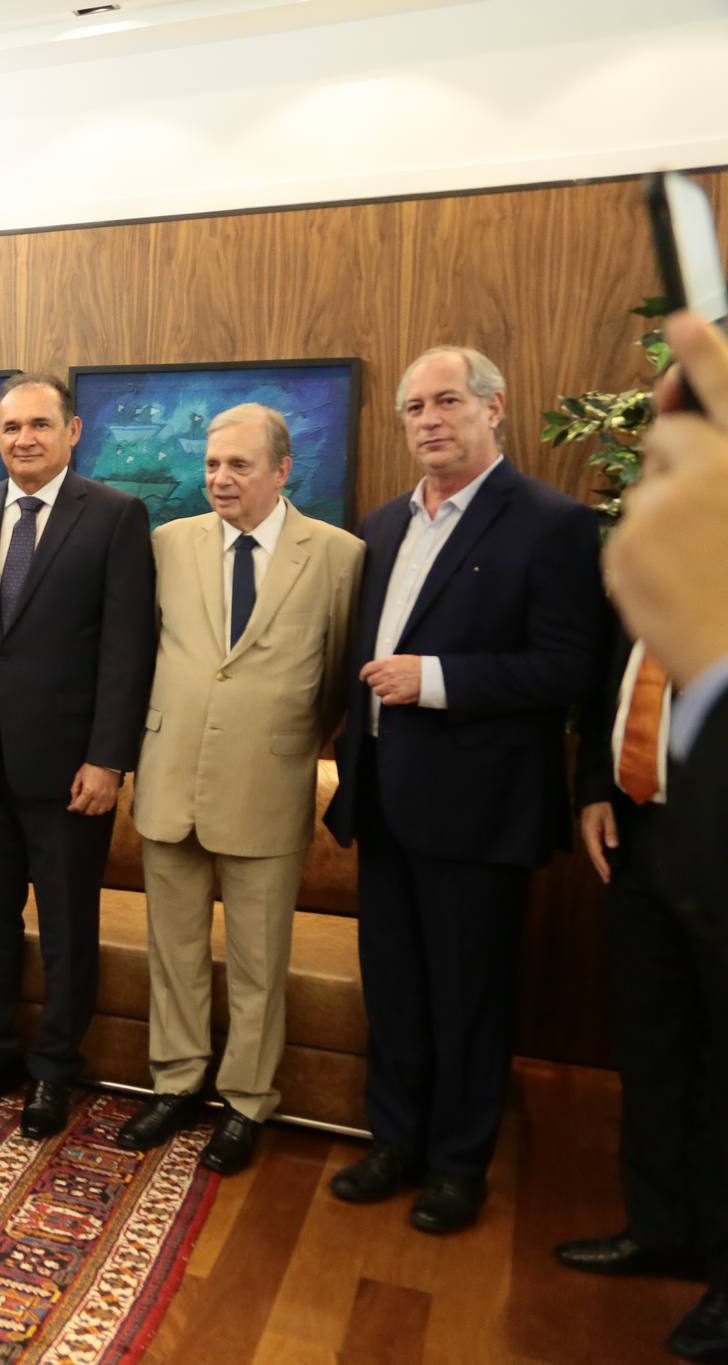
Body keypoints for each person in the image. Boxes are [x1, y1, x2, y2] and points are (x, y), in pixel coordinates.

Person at [323, 345, 603, 1234]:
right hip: (384, 800)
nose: (430, 420)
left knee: (469, 995)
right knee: (395, 988)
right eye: (415, 408)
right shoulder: (382, 526)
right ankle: (393, 1142)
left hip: (479, 810)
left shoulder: (552, 523)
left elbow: (569, 667)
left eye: (447, 401)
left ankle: (457, 1166)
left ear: (494, 406)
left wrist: (435, 678)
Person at [116, 404, 361, 1173]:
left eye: (239, 465)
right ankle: (175, 1083)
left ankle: (248, 1101)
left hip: (269, 780)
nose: (219, 478)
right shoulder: (168, 543)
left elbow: (336, 681)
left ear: (283, 471)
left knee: (258, 960)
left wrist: (279, 735)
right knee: (174, 950)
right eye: (212, 464)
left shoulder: (339, 555)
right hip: (170, 778)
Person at [0, 372, 156, 1139]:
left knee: (65, 926)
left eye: (38, 424)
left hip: (70, 770)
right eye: (10, 426)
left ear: (72, 431)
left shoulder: (116, 515)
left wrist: (109, 759)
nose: (23, 438)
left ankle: (55, 1069)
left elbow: (128, 648)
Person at [601, 309, 728, 1363]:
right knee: (652, 1046)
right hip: (642, 829)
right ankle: (659, 1227)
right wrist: (592, 787)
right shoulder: (663, 529)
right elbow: (613, 671)